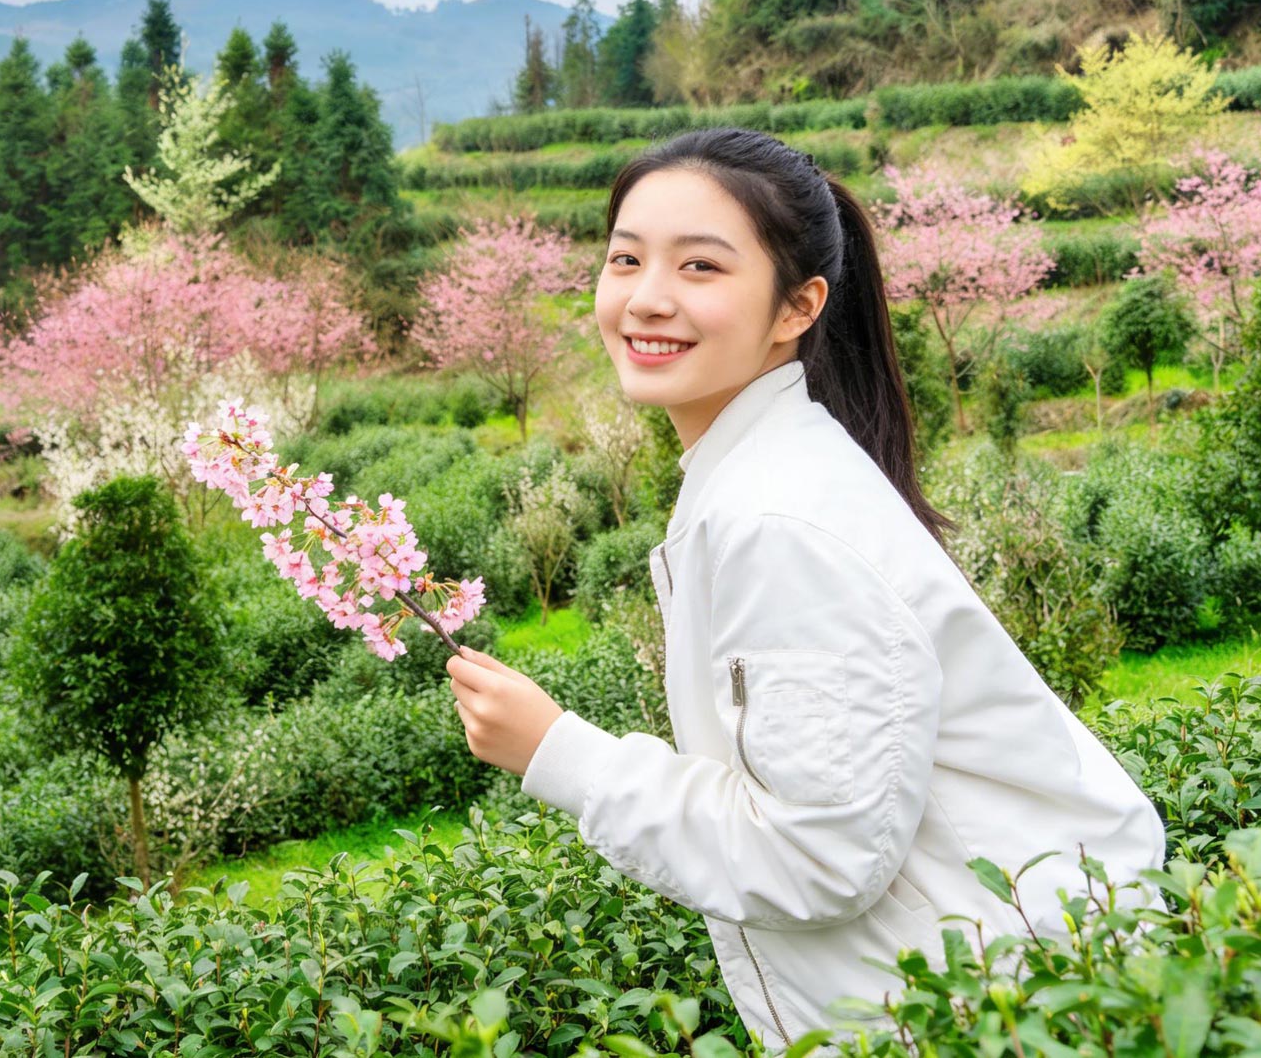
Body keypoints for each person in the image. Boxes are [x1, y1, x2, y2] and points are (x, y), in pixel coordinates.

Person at [442, 128, 1165, 1052]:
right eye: (626, 259)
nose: (647, 297)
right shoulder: (765, 477)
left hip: (1010, 1013)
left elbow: (819, 855)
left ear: (798, 306)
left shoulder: (777, 520)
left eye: (700, 266)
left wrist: (560, 754)